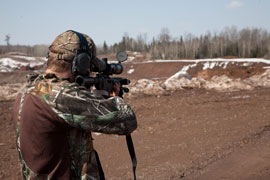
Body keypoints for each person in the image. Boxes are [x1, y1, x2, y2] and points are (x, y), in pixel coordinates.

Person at [12, 30, 137, 180]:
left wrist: (92, 95)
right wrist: (114, 98)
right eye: (89, 65)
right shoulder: (61, 96)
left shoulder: (27, 90)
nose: (90, 71)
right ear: (80, 62)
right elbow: (127, 120)